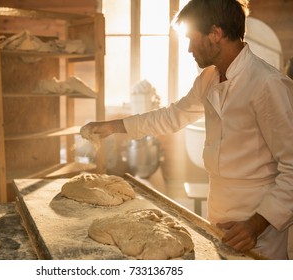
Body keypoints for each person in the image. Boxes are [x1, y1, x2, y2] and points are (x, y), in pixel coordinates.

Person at [81, 0, 293, 259]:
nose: (189, 48)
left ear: (216, 34)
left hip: (259, 221)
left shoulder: (268, 84)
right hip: (219, 207)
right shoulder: (209, 79)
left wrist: (256, 225)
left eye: (192, 39)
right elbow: (172, 116)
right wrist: (113, 126)